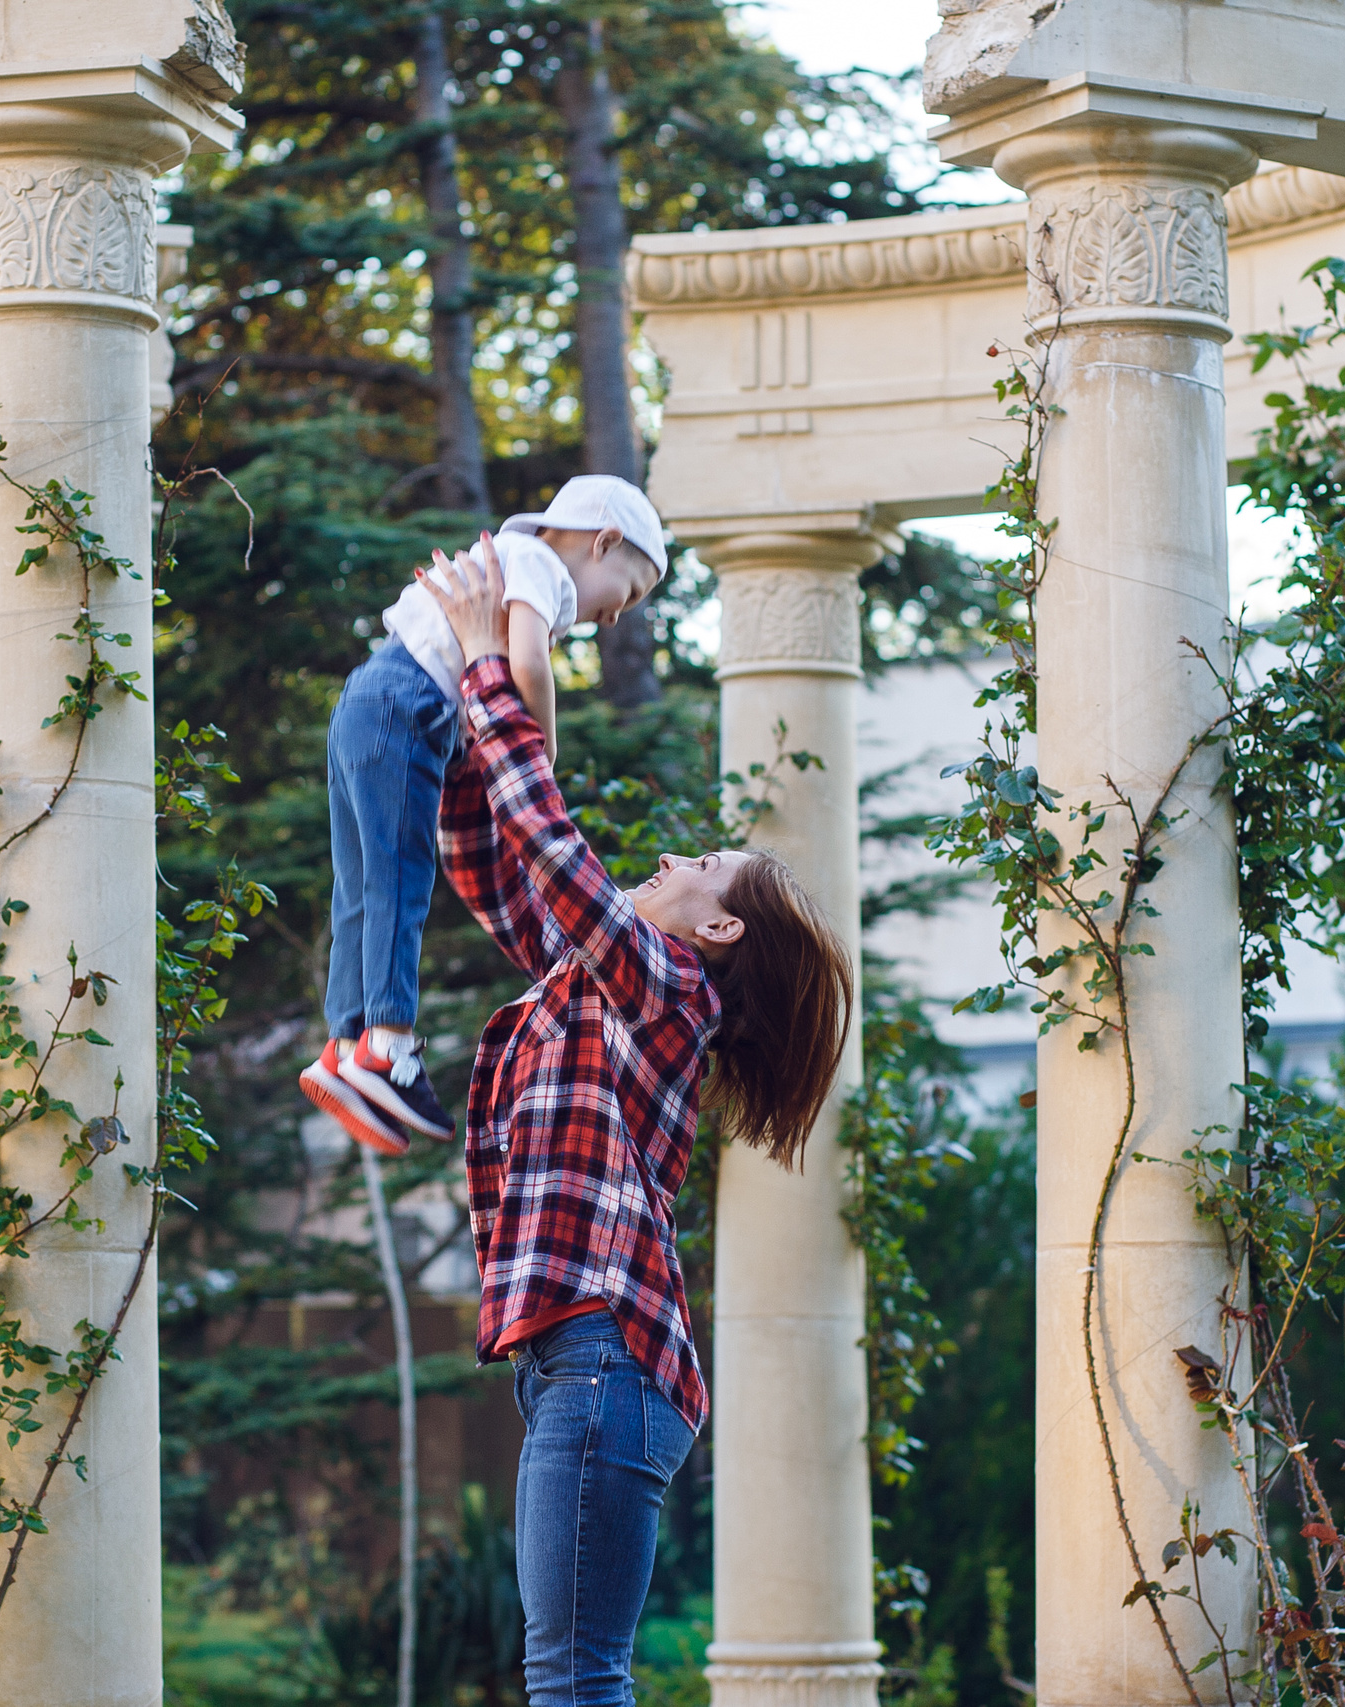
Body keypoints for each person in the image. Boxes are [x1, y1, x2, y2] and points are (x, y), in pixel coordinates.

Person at [417, 537, 854, 1707]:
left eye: (700, 865)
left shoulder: (668, 991)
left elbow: (552, 847)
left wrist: (483, 665)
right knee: (568, 1674)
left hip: (608, 1357)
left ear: (716, 934)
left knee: (573, 1677)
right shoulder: (601, 983)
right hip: (579, 1360)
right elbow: (492, 855)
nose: (668, 858)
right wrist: (454, 698)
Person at [300, 476, 666, 1153]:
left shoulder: (507, 557)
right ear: (605, 541)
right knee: (399, 882)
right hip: (408, 706)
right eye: (631, 591)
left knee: (359, 886)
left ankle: (346, 1044)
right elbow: (525, 657)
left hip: (367, 698)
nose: (618, 615)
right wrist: (542, 744)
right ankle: (389, 1045)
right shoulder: (538, 565)